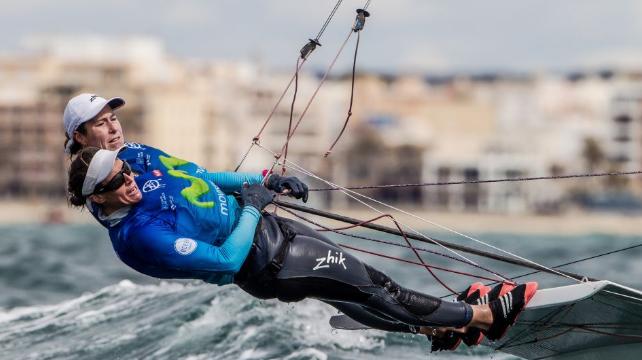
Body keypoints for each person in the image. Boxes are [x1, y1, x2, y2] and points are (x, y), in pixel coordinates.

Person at [66, 146, 538, 351]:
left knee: (370, 286)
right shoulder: (140, 239)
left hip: (272, 230)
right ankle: (484, 319)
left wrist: (261, 182)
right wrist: (251, 209)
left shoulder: (134, 171)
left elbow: (205, 177)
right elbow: (227, 261)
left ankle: (442, 328)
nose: (129, 183)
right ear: (96, 198)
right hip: (268, 264)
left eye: (126, 173)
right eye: (116, 184)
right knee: (372, 290)